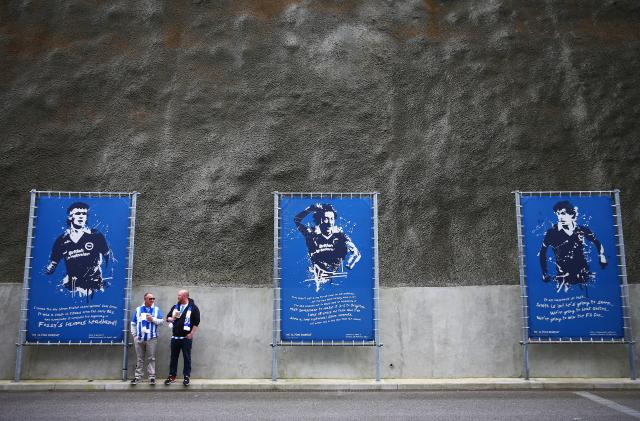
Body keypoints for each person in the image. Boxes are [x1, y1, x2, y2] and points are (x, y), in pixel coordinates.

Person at [44, 202, 111, 300]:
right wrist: (49, 270)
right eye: (78, 213)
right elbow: (52, 265)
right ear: (70, 217)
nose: (81, 216)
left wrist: (105, 278)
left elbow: (109, 259)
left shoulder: (96, 235)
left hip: (94, 288)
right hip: (73, 289)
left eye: (84, 214)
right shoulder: (61, 240)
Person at [539, 200, 607, 292]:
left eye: (563, 213)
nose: (560, 217)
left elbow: (596, 242)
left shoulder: (582, 230)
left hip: (583, 276)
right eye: (558, 214)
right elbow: (543, 252)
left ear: (572, 214)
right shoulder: (551, 233)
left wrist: (602, 256)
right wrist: (544, 272)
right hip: (563, 278)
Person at [294, 203, 361, 292]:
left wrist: (350, 262)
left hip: (336, 279)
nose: (330, 223)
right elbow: (296, 220)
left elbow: (356, 253)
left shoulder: (340, 236)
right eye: (326, 219)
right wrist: (309, 209)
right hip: (317, 277)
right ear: (319, 220)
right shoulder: (311, 234)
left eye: (332, 219)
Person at [164, 289, 200, 386]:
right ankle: (172, 376)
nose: (178, 297)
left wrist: (191, 334)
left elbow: (196, 323)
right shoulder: (175, 307)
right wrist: (171, 318)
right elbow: (167, 318)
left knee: (187, 357)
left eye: (179, 295)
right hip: (175, 338)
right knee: (173, 357)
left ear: (185, 296)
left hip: (186, 338)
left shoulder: (193, 308)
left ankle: (186, 377)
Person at [130, 292, 163, 385]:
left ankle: (152, 377)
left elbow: (161, 322)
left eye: (153, 298)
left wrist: (152, 319)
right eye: (150, 299)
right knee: (139, 358)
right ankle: (138, 377)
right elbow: (133, 323)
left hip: (151, 338)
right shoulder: (138, 310)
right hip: (139, 338)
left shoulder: (156, 309)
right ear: (145, 299)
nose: (152, 300)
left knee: (151, 358)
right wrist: (135, 335)